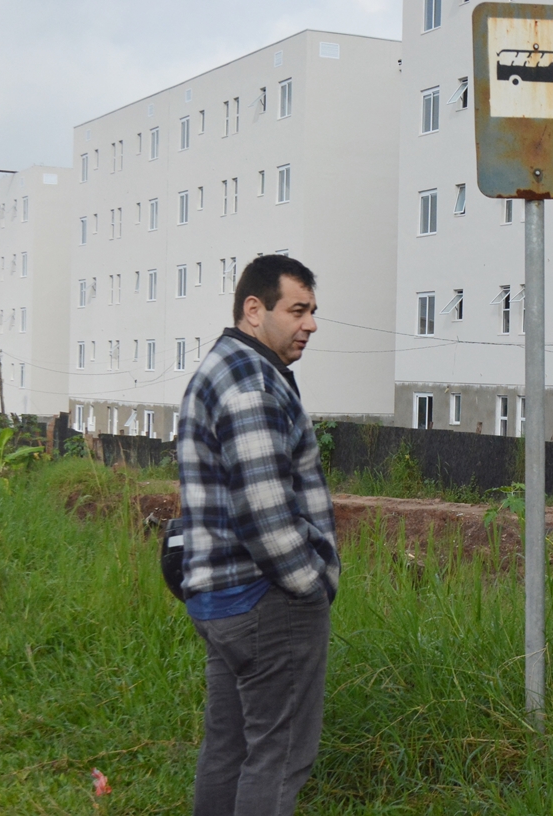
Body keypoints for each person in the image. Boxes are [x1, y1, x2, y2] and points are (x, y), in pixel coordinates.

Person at [177, 254, 340, 816]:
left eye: (313, 311)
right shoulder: (250, 380)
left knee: (229, 749)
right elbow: (265, 511)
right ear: (254, 309)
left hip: (221, 599)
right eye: (297, 310)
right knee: (279, 757)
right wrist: (311, 584)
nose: (310, 324)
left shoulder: (222, 368)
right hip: (267, 601)